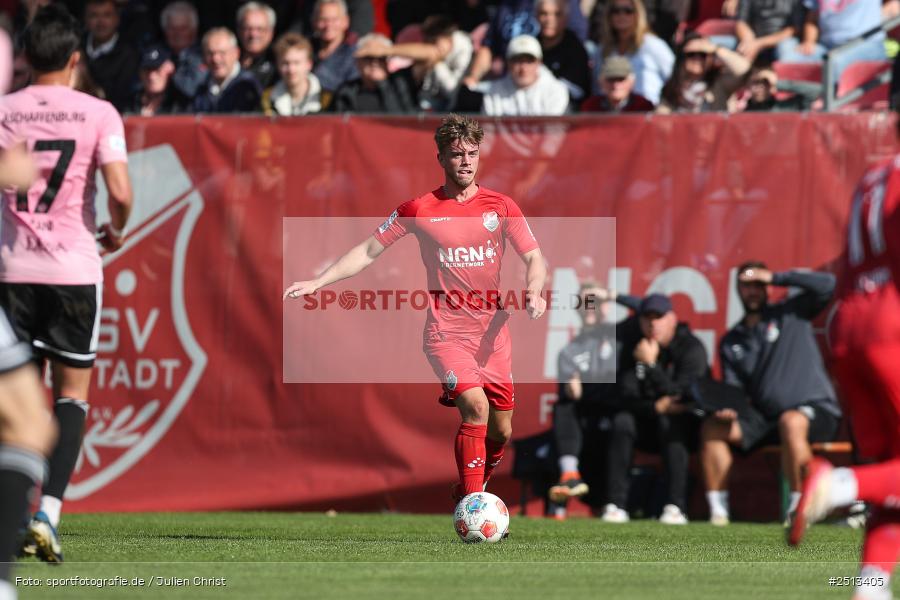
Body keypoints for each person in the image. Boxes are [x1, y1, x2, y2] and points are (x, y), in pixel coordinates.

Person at [284, 114, 547, 513]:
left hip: (493, 335)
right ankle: (475, 506)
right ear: (440, 157)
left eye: (472, 153)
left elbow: (534, 256)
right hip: (447, 334)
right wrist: (319, 282)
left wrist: (534, 289)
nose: (466, 162)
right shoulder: (419, 208)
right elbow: (369, 250)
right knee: (475, 407)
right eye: (457, 154)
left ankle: (470, 487)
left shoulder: (500, 206)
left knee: (502, 427)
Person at [0, 3, 133, 564]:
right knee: (70, 395)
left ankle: (10, 514)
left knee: (13, 402)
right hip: (73, 270)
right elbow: (121, 194)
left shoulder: (5, 111)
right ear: (76, 57)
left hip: (12, 270)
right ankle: (47, 514)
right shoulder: (98, 112)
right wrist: (116, 230)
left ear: (26, 56)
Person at [789, 129, 900, 600]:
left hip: (849, 324)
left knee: (892, 478)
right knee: (878, 475)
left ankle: (870, 590)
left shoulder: (876, 175)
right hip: (891, 323)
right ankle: (836, 484)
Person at [701, 262, 841, 526]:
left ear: (767, 287)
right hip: (766, 419)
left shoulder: (791, 312)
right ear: (738, 290)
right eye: (746, 285)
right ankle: (718, 513)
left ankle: (800, 508)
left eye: (758, 285)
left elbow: (827, 285)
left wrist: (777, 276)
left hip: (815, 411)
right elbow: (736, 391)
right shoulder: (733, 339)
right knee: (713, 428)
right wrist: (728, 408)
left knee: (791, 420)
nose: (752, 291)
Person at [603, 293, 708, 525]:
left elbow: (685, 395)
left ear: (672, 318)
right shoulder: (634, 347)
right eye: (647, 318)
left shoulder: (691, 347)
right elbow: (626, 395)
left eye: (658, 317)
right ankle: (616, 505)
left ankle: (675, 506)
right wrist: (654, 407)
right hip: (645, 420)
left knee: (672, 423)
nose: (652, 324)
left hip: (685, 427)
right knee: (622, 421)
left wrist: (651, 366)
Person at [549, 285, 641, 519]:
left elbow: (648, 310)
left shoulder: (620, 333)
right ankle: (569, 476)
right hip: (586, 421)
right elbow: (569, 394)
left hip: (617, 414)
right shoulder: (569, 351)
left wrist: (612, 295)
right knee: (563, 407)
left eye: (594, 301)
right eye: (583, 302)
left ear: (605, 305)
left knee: (624, 422)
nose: (589, 307)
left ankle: (616, 505)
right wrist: (571, 388)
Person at [589, 0, 673, 105]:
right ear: (608, 15)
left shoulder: (653, 45)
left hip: (646, 112)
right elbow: (597, 88)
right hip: (611, 114)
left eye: (628, 11)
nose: (621, 15)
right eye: (616, 11)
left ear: (638, 14)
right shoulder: (602, 50)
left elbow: (674, 78)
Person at [656, 33, 751, 113]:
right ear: (682, 57)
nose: (697, 59)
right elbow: (661, 119)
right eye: (691, 54)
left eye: (702, 55)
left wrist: (715, 49)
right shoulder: (671, 88)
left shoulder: (718, 83)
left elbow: (744, 69)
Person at [480, 34, 569, 116]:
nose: (523, 68)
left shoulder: (556, 91)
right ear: (508, 63)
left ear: (539, 63)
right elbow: (489, 131)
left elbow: (554, 130)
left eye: (529, 61)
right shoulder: (493, 91)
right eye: (517, 61)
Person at [333, 33, 418, 113]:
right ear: (358, 62)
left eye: (381, 58)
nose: (375, 62)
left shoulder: (402, 83)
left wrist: (387, 50)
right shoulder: (346, 91)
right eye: (369, 57)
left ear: (387, 61)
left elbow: (431, 54)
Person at [82, 0, 139, 112]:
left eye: (107, 15)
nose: (101, 22)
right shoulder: (76, 47)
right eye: (94, 15)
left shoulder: (129, 54)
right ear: (85, 20)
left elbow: (121, 98)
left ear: (117, 19)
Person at [193, 27, 262, 113]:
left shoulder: (249, 87)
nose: (216, 59)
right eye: (210, 53)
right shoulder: (200, 87)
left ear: (236, 53)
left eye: (222, 53)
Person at [536, 0, 591, 105]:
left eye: (557, 14)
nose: (549, 19)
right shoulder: (531, 46)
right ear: (536, 16)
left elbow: (577, 92)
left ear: (566, 18)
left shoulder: (576, 49)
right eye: (544, 13)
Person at [262, 32, 327, 116]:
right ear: (278, 65)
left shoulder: (326, 98)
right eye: (285, 63)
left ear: (309, 64)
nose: (291, 70)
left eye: (296, 63)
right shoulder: (266, 100)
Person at [159, 1, 205, 101]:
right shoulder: (157, 53)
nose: (177, 33)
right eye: (172, 28)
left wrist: (173, 73)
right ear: (164, 30)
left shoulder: (203, 55)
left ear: (194, 30)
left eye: (183, 28)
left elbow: (191, 89)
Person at [311, 0, 359, 94]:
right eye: (323, 20)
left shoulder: (355, 55)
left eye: (334, 20)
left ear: (345, 21)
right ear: (314, 22)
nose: (328, 25)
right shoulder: (306, 49)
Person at [127, 44, 189, 115]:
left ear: (170, 69)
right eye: (147, 70)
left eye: (157, 70)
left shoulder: (181, 103)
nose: (151, 76)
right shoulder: (130, 102)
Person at [581, 55, 655, 112]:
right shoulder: (590, 107)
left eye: (620, 79)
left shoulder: (644, 106)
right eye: (611, 79)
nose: (615, 85)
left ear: (632, 82)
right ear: (601, 82)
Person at [237, 1, 278, 89]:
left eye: (260, 29)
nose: (253, 35)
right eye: (248, 28)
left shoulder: (279, 60)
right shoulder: (227, 58)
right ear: (239, 30)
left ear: (271, 32)